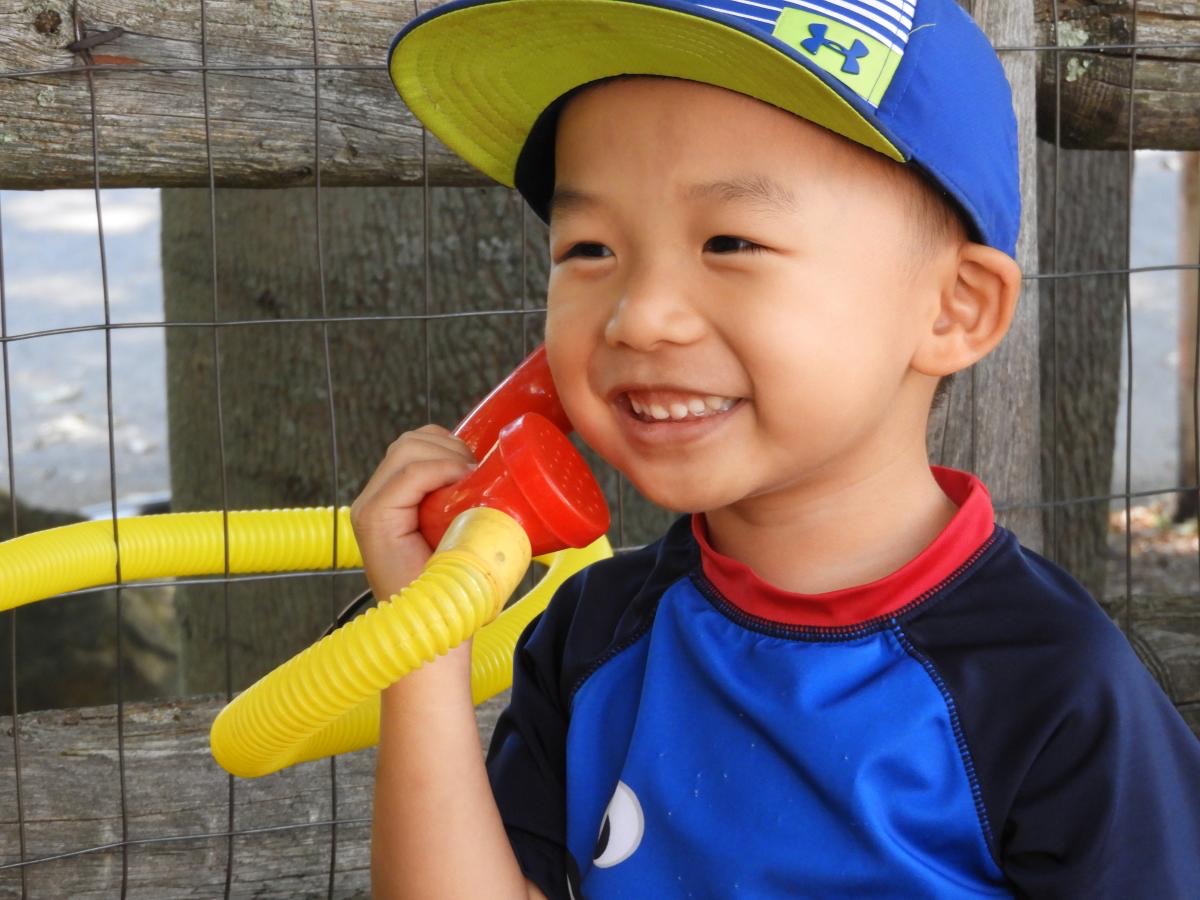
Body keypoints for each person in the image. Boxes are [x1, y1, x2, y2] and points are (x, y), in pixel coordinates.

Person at [356, 1, 1200, 896]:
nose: (637, 315)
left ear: (954, 308)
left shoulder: (1050, 686)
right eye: (589, 248)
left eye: (730, 241)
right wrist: (422, 642)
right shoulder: (593, 639)